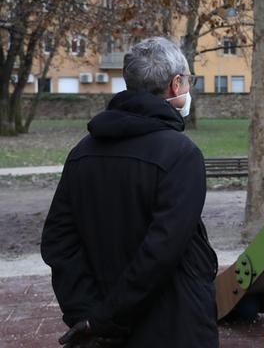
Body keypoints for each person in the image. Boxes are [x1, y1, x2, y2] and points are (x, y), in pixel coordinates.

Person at [41, 37, 218, 347]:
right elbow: (161, 252)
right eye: (189, 79)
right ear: (176, 84)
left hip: (101, 324)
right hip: (174, 325)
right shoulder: (181, 154)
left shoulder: (81, 152)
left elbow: (58, 242)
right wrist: (105, 317)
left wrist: (87, 314)